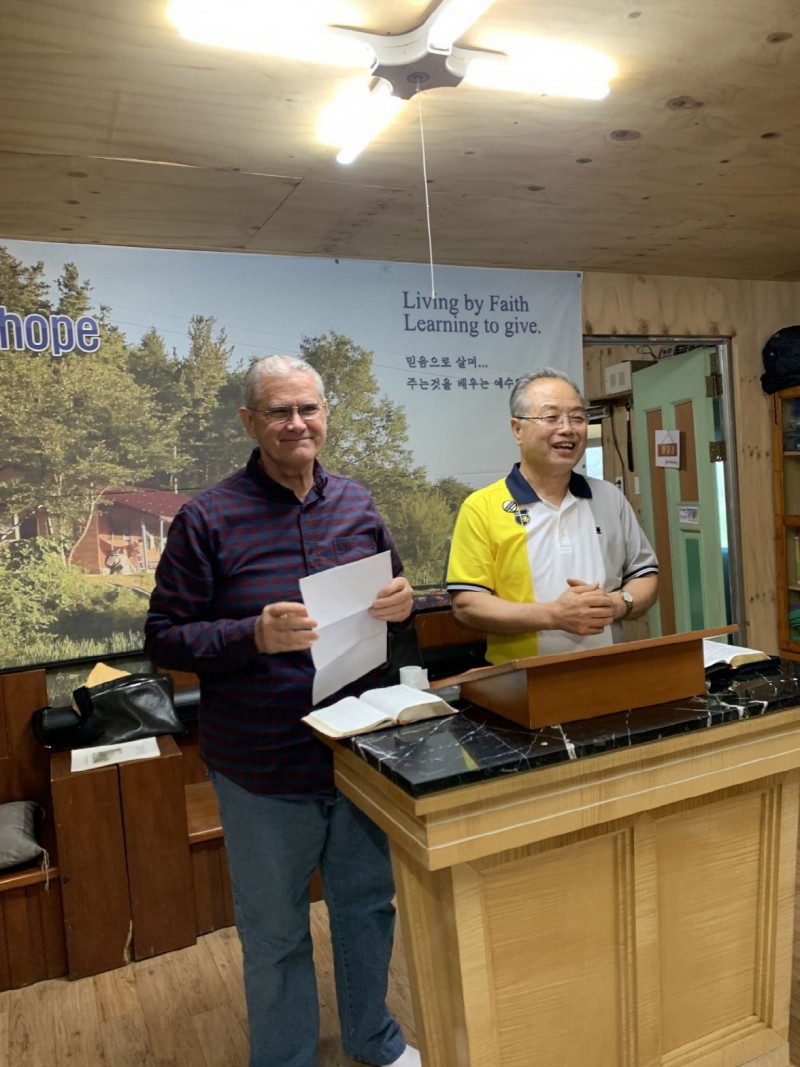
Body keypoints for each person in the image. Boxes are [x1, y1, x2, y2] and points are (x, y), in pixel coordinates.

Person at [144, 355, 420, 1067]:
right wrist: (252, 635)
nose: (296, 423)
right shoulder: (207, 518)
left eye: (308, 408)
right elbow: (163, 637)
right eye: (278, 411)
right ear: (250, 421)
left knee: (367, 907)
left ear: (326, 414)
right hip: (262, 768)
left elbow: (394, 597)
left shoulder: (356, 503)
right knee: (276, 934)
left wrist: (404, 602)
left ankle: (373, 1038)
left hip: (356, 755)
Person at [446, 367, 659, 664]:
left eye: (577, 418)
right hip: (522, 681)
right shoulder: (481, 507)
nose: (567, 429)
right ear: (517, 430)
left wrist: (618, 604)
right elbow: (467, 605)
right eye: (551, 417)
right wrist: (553, 615)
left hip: (608, 670)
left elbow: (644, 575)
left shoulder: (609, 498)